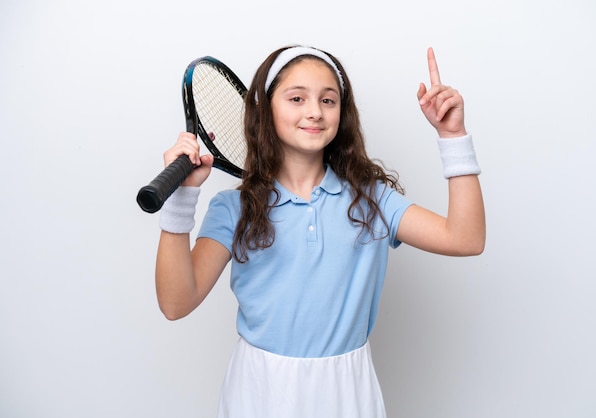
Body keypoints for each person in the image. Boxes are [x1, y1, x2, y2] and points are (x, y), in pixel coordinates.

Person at [154, 45, 485, 418]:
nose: (314, 111)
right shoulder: (236, 209)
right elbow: (176, 303)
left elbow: (466, 238)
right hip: (259, 390)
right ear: (264, 109)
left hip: (347, 391)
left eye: (328, 100)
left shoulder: (372, 200)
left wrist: (453, 135)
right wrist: (181, 200)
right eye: (297, 98)